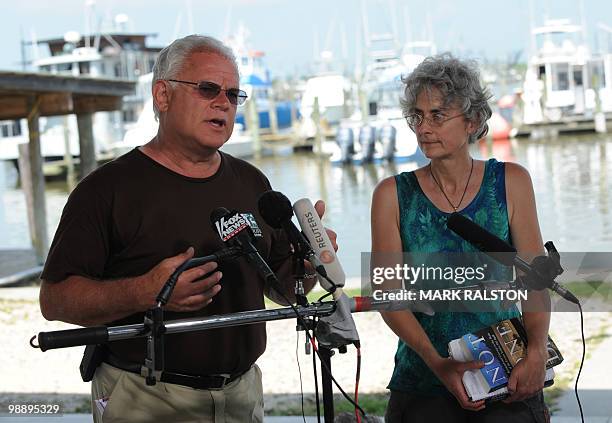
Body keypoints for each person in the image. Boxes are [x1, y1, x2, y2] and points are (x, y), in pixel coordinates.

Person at [39, 35, 334, 423]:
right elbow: (55, 301)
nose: (223, 103)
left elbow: (283, 289)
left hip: (242, 395)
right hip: (146, 397)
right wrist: (146, 292)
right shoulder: (106, 190)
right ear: (162, 95)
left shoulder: (252, 182)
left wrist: (311, 264)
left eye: (233, 94)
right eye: (208, 89)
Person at [370, 54, 551, 422]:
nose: (423, 128)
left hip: (506, 375)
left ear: (472, 121)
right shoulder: (392, 195)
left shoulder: (512, 182)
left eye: (437, 115)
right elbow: (387, 294)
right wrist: (438, 364)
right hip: (424, 381)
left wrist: (535, 354)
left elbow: (535, 281)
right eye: (417, 116)